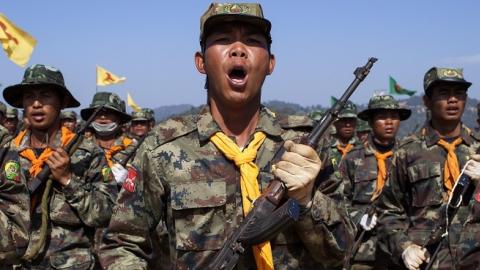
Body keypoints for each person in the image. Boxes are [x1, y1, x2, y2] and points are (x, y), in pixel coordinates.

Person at [100, 3, 353, 269]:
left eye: (253, 41)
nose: (238, 49)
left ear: (270, 63)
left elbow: (342, 252)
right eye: (222, 40)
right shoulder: (163, 148)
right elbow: (122, 243)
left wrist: (307, 200)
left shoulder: (303, 146)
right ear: (200, 62)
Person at [1, 64, 117, 268]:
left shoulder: (86, 153)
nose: (36, 104)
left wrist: (68, 180)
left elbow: (108, 214)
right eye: (29, 97)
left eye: (45, 96)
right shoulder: (7, 152)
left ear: (62, 102)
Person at [376, 67, 480, 270]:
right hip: (426, 261)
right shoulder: (408, 151)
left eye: (459, 93)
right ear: (426, 101)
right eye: (443, 93)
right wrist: (404, 247)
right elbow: (388, 211)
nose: (453, 100)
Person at [340, 94, 411, 269]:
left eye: (394, 117)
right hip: (363, 250)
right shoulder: (353, 158)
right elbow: (337, 200)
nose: (389, 122)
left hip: (400, 248)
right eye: (382, 117)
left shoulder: (409, 155)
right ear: (371, 122)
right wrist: (358, 217)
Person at [80, 92, 137, 186]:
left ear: (119, 118)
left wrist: (129, 180)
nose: (102, 117)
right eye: (98, 112)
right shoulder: (80, 146)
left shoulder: (133, 147)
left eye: (109, 113)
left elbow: (148, 183)